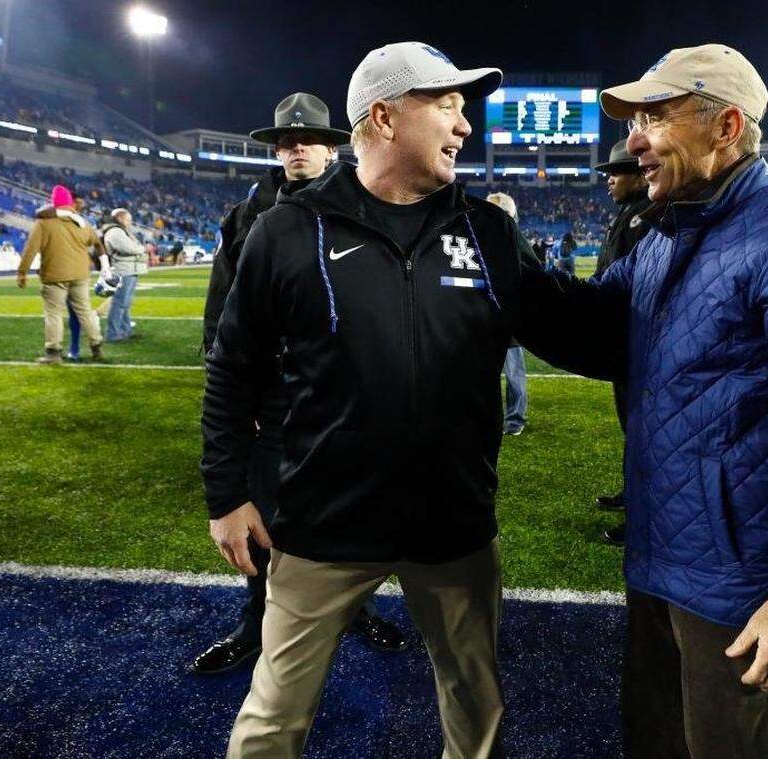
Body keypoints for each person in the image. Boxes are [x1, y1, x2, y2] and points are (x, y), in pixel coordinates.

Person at [517, 43, 768, 757]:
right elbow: (598, 336)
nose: (634, 140)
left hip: (740, 585)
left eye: (655, 116)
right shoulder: (665, 236)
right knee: (654, 739)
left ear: (724, 128)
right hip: (661, 558)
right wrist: (506, 260)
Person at [203, 42, 532, 757]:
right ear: (384, 117)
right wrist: (226, 494)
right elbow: (232, 367)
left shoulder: (490, 232)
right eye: (446, 104)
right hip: (325, 519)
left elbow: (585, 328)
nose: (465, 124)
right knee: (272, 715)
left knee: (475, 702)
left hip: (453, 522)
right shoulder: (287, 231)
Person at [193, 92, 403, 677]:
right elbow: (221, 319)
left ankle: (352, 609)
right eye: (287, 140)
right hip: (274, 405)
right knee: (266, 521)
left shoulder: (366, 206)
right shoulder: (245, 217)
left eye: (308, 138)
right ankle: (256, 621)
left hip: (343, 401)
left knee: (349, 516)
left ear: (333, 147)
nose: (296, 148)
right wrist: (240, 401)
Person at [591, 138, 651, 544]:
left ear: (637, 174)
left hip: (639, 341)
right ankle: (633, 496)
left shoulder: (646, 215)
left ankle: (644, 520)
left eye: (616, 172)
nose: (609, 180)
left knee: (645, 433)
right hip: (621, 340)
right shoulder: (629, 212)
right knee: (633, 430)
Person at [17, 185, 105, 364]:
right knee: (85, 312)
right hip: (80, 274)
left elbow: (31, 249)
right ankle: (97, 348)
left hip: (54, 274)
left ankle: (53, 353)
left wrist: (22, 272)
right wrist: (102, 264)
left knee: (54, 313)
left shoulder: (44, 222)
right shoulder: (81, 222)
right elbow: (97, 243)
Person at [487, 191, 529, 435]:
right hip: (484, 319)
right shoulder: (481, 239)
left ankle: (515, 419)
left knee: (514, 374)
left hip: (510, 319)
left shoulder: (515, 241)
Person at [101, 208, 149, 342]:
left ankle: (124, 330)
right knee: (119, 303)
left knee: (125, 303)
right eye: (128, 219)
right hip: (123, 270)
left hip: (129, 269)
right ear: (120, 218)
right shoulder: (115, 232)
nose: (130, 222)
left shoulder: (120, 231)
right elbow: (130, 248)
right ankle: (113, 334)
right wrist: (143, 249)